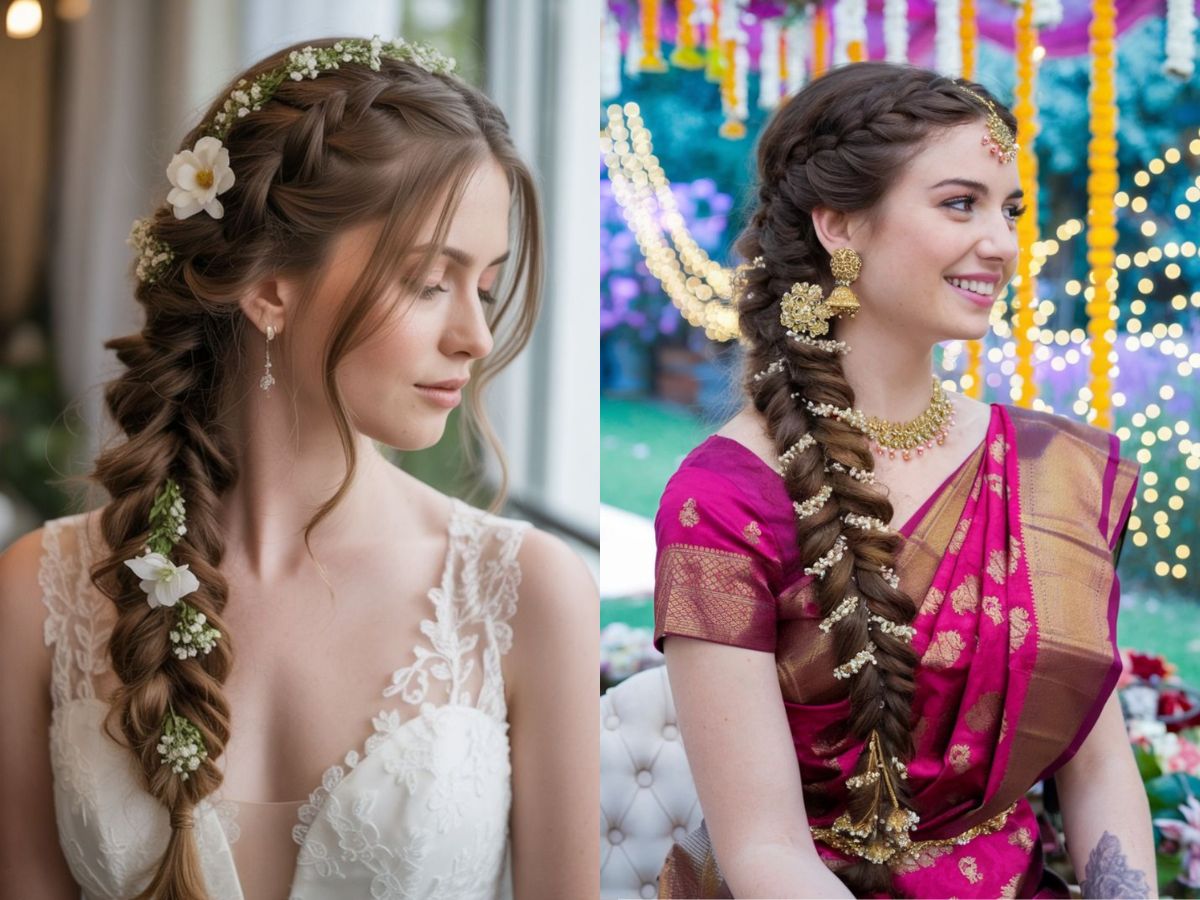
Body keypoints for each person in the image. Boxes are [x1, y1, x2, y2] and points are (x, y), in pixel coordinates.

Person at [0, 36, 597, 900]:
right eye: (430, 282)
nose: (474, 337)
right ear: (270, 286)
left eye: (487, 288)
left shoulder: (529, 593)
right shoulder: (39, 592)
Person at [652, 63, 1153, 899]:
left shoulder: (1047, 471)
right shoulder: (727, 501)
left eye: (1010, 209)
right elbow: (766, 850)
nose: (1002, 243)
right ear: (839, 224)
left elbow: (1099, 768)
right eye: (960, 203)